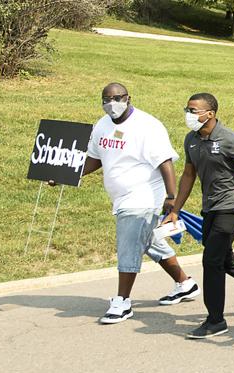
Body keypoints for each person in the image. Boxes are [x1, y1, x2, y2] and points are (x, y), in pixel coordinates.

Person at [80, 83, 198, 325]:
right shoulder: (102, 125)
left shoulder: (147, 125)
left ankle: (122, 302)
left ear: (128, 98)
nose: (112, 103)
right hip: (122, 198)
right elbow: (94, 159)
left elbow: (165, 163)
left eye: (117, 98)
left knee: (129, 245)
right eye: (106, 99)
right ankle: (185, 284)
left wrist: (171, 197)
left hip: (144, 198)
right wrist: (68, 172)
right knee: (149, 242)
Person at [165, 93, 234, 339]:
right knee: (224, 258)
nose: (188, 114)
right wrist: (175, 210)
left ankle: (215, 321)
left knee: (211, 260)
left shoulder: (230, 140)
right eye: (187, 109)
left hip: (232, 206)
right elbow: (188, 175)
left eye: (193, 110)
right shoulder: (191, 139)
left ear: (210, 114)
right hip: (210, 208)